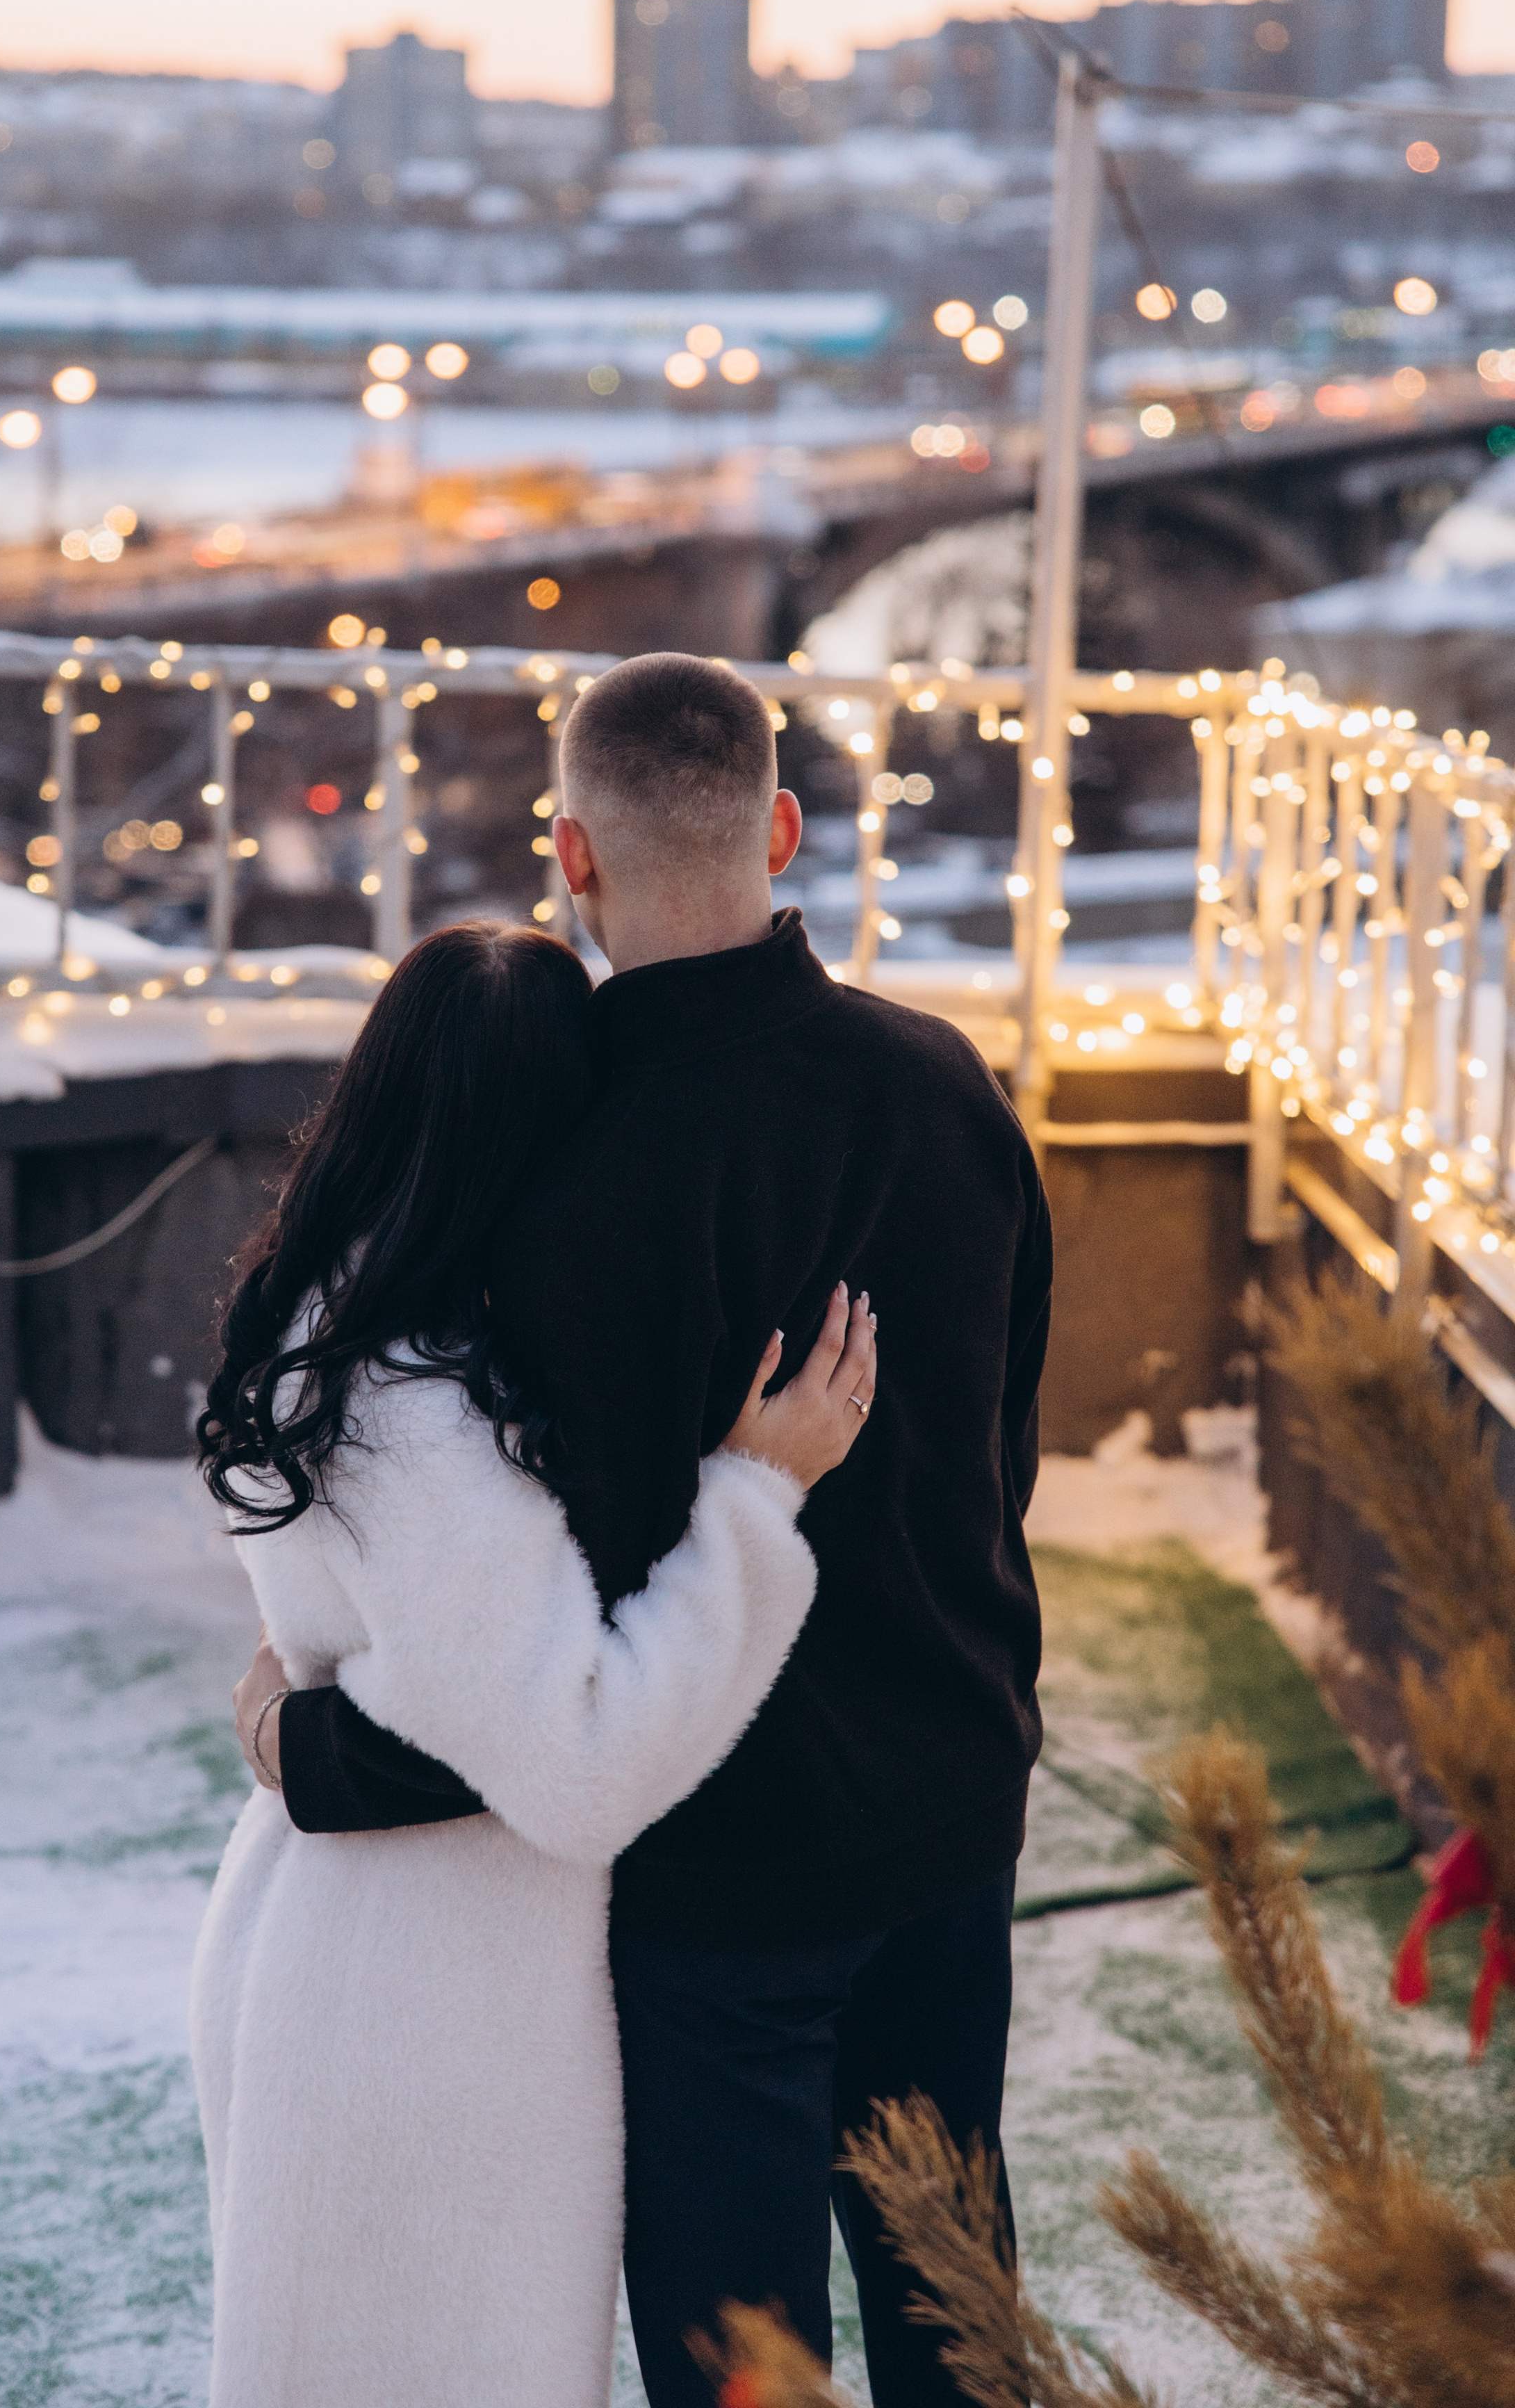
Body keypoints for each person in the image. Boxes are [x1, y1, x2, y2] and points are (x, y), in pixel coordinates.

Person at [244, 652, 1051, 2406]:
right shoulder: (948, 1085)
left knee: (737, 2358)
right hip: (944, 1797)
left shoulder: (541, 1162)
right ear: (777, 829)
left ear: (569, 854)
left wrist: (317, 1750)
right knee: (960, 2321)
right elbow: (1001, 1456)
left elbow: (531, 1638)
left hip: (713, 1870)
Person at [191, 917, 878, 2408]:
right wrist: (755, 1500)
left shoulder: (343, 1315)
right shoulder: (409, 1405)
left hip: (372, 1945)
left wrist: (293, 1731)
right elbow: (574, 1760)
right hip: (425, 2000)